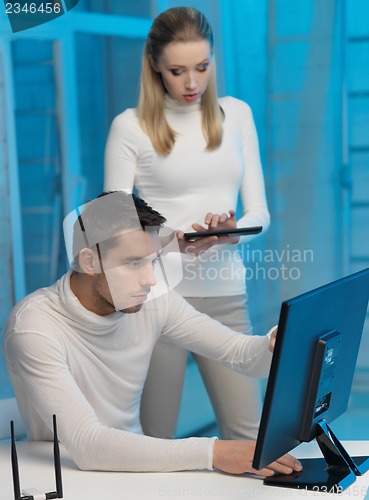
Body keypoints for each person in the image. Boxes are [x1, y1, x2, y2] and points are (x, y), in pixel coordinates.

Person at [4, 191, 301, 476]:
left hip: (139, 471)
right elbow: (88, 445)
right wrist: (213, 452)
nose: (149, 279)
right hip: (64, 476)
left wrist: (274, 343)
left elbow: (244, 357)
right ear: (89, 262)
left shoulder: (153, 300)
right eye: (134, 263)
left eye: (154, 261)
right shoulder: (34, 327)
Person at [104, 7, 270, 441]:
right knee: (154, 439)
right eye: (178, 71)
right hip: (157, 298)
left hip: (227, 295)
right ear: (155, 64)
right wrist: (170, 241)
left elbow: (260, 213)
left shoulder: (237, 115)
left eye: (202, 67)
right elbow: (112, 224)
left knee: (251, 439)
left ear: (213, 59)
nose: (192, 83)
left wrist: (234, 229)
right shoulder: (130, 127)